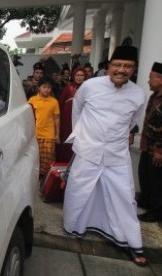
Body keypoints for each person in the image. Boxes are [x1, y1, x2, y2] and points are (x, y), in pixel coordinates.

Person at [63, 46, 147, 266]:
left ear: (134, 69)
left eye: (127, 66)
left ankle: (130, 241)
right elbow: (77, 112)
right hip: (87, 150)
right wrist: (82, 139)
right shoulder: (90, 86)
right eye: (117, 65)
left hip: (116, 153)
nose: (121, 70)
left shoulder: (138, 94)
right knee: (80, 189)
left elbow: (132, 123)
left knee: (125, 196)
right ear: (109, 66)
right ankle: (75, 226)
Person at [137, 62, 162, 222]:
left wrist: (159, 150)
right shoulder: (155, 96)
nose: (148, 80)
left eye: (151, 77)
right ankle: (146, 201)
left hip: (157, 149)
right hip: (148, 146)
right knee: (145, 175)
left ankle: (156, 211)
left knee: (157, 181)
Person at [28, 77, 60, 179]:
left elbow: (57, 119)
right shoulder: (32, 100)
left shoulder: (54, 102)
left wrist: (57, 135)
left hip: (49, 135)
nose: (46, 90)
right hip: (35, 134)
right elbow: (28, 118)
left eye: (49, 87)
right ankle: (36, 182)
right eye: (44, 87)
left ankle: (46, 182)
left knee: (48, 162)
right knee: (35, 159)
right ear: (39, 87)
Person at [56, 67, 86, 162]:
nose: (79, 77)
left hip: (82, 117)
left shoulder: (87, 88)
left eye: (82, 75)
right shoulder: (68, 87)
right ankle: (65, 160)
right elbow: (61, 102)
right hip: (67, 117)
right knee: (67, 136)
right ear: (73, 76)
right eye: (77, 75)